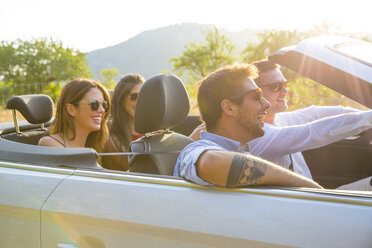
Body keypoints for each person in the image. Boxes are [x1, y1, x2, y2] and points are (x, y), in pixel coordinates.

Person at [174, 63, 323, 188]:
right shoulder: (196, 150)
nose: (266, 104)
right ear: (229, 108)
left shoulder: (242, 151)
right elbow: (211, 162)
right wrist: (312, 189)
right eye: (256, 97)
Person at [247, 59, 372, 190]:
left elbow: (315, 113)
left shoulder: (280, 120)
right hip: (304, 206)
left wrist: (366, 116)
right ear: (257, 93)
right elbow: (314, 132)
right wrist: (367, 119)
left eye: (285, 84)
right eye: (276, 87)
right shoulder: (259, 136)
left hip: (314, 197)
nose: (285, 91)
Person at [102, 74, 206, 171]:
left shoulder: (159, 133)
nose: (141, 102)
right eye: (134, 97)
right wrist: (189, 143)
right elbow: (140, 169)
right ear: (120, 100)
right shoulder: (111, 139)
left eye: (144, 96)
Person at [38, 78, 111, 155]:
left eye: (104, 105)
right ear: (71, 109)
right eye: (94, 104)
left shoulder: (95, 146)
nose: (102, 110)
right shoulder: (50, 144)